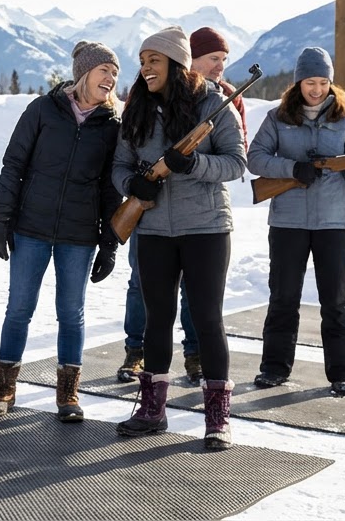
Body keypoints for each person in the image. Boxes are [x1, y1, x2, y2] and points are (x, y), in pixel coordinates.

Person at [111, 26, 246, 450]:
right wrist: (134, 184)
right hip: (153, 229)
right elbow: (119, 166)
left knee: (207, 319)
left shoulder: (213, 104)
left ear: (177, 63)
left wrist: (192, 165)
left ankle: (217, 417)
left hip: (206, 227)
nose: (145, 68)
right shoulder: (136, 109)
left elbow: (236, 163)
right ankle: (152, 410)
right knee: (157, 319)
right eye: (142, 61)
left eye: (154, 60)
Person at [0, 41, 122, 421]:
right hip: (31, 227)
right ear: (84, 73)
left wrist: (109, 244)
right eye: (104, 70)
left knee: (71, 313)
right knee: (19, 308)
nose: (110, 78)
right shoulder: (43, 110)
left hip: (79, 236)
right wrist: (1, 220)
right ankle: (4, 388)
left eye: (115, 73)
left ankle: (68, 395)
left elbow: (111, 189)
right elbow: (14, 164)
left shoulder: (112, 126)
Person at [248, 46, 345, 397]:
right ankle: (273, 369)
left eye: (323, 82)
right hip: (288, 222)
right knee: (283, 297)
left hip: (335, 222)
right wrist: (293, 169)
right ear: (298, 83)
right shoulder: (277, 117)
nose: (317, 89)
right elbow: (255, 158)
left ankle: (344, 373)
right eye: (310, 82)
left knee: (336, 301)